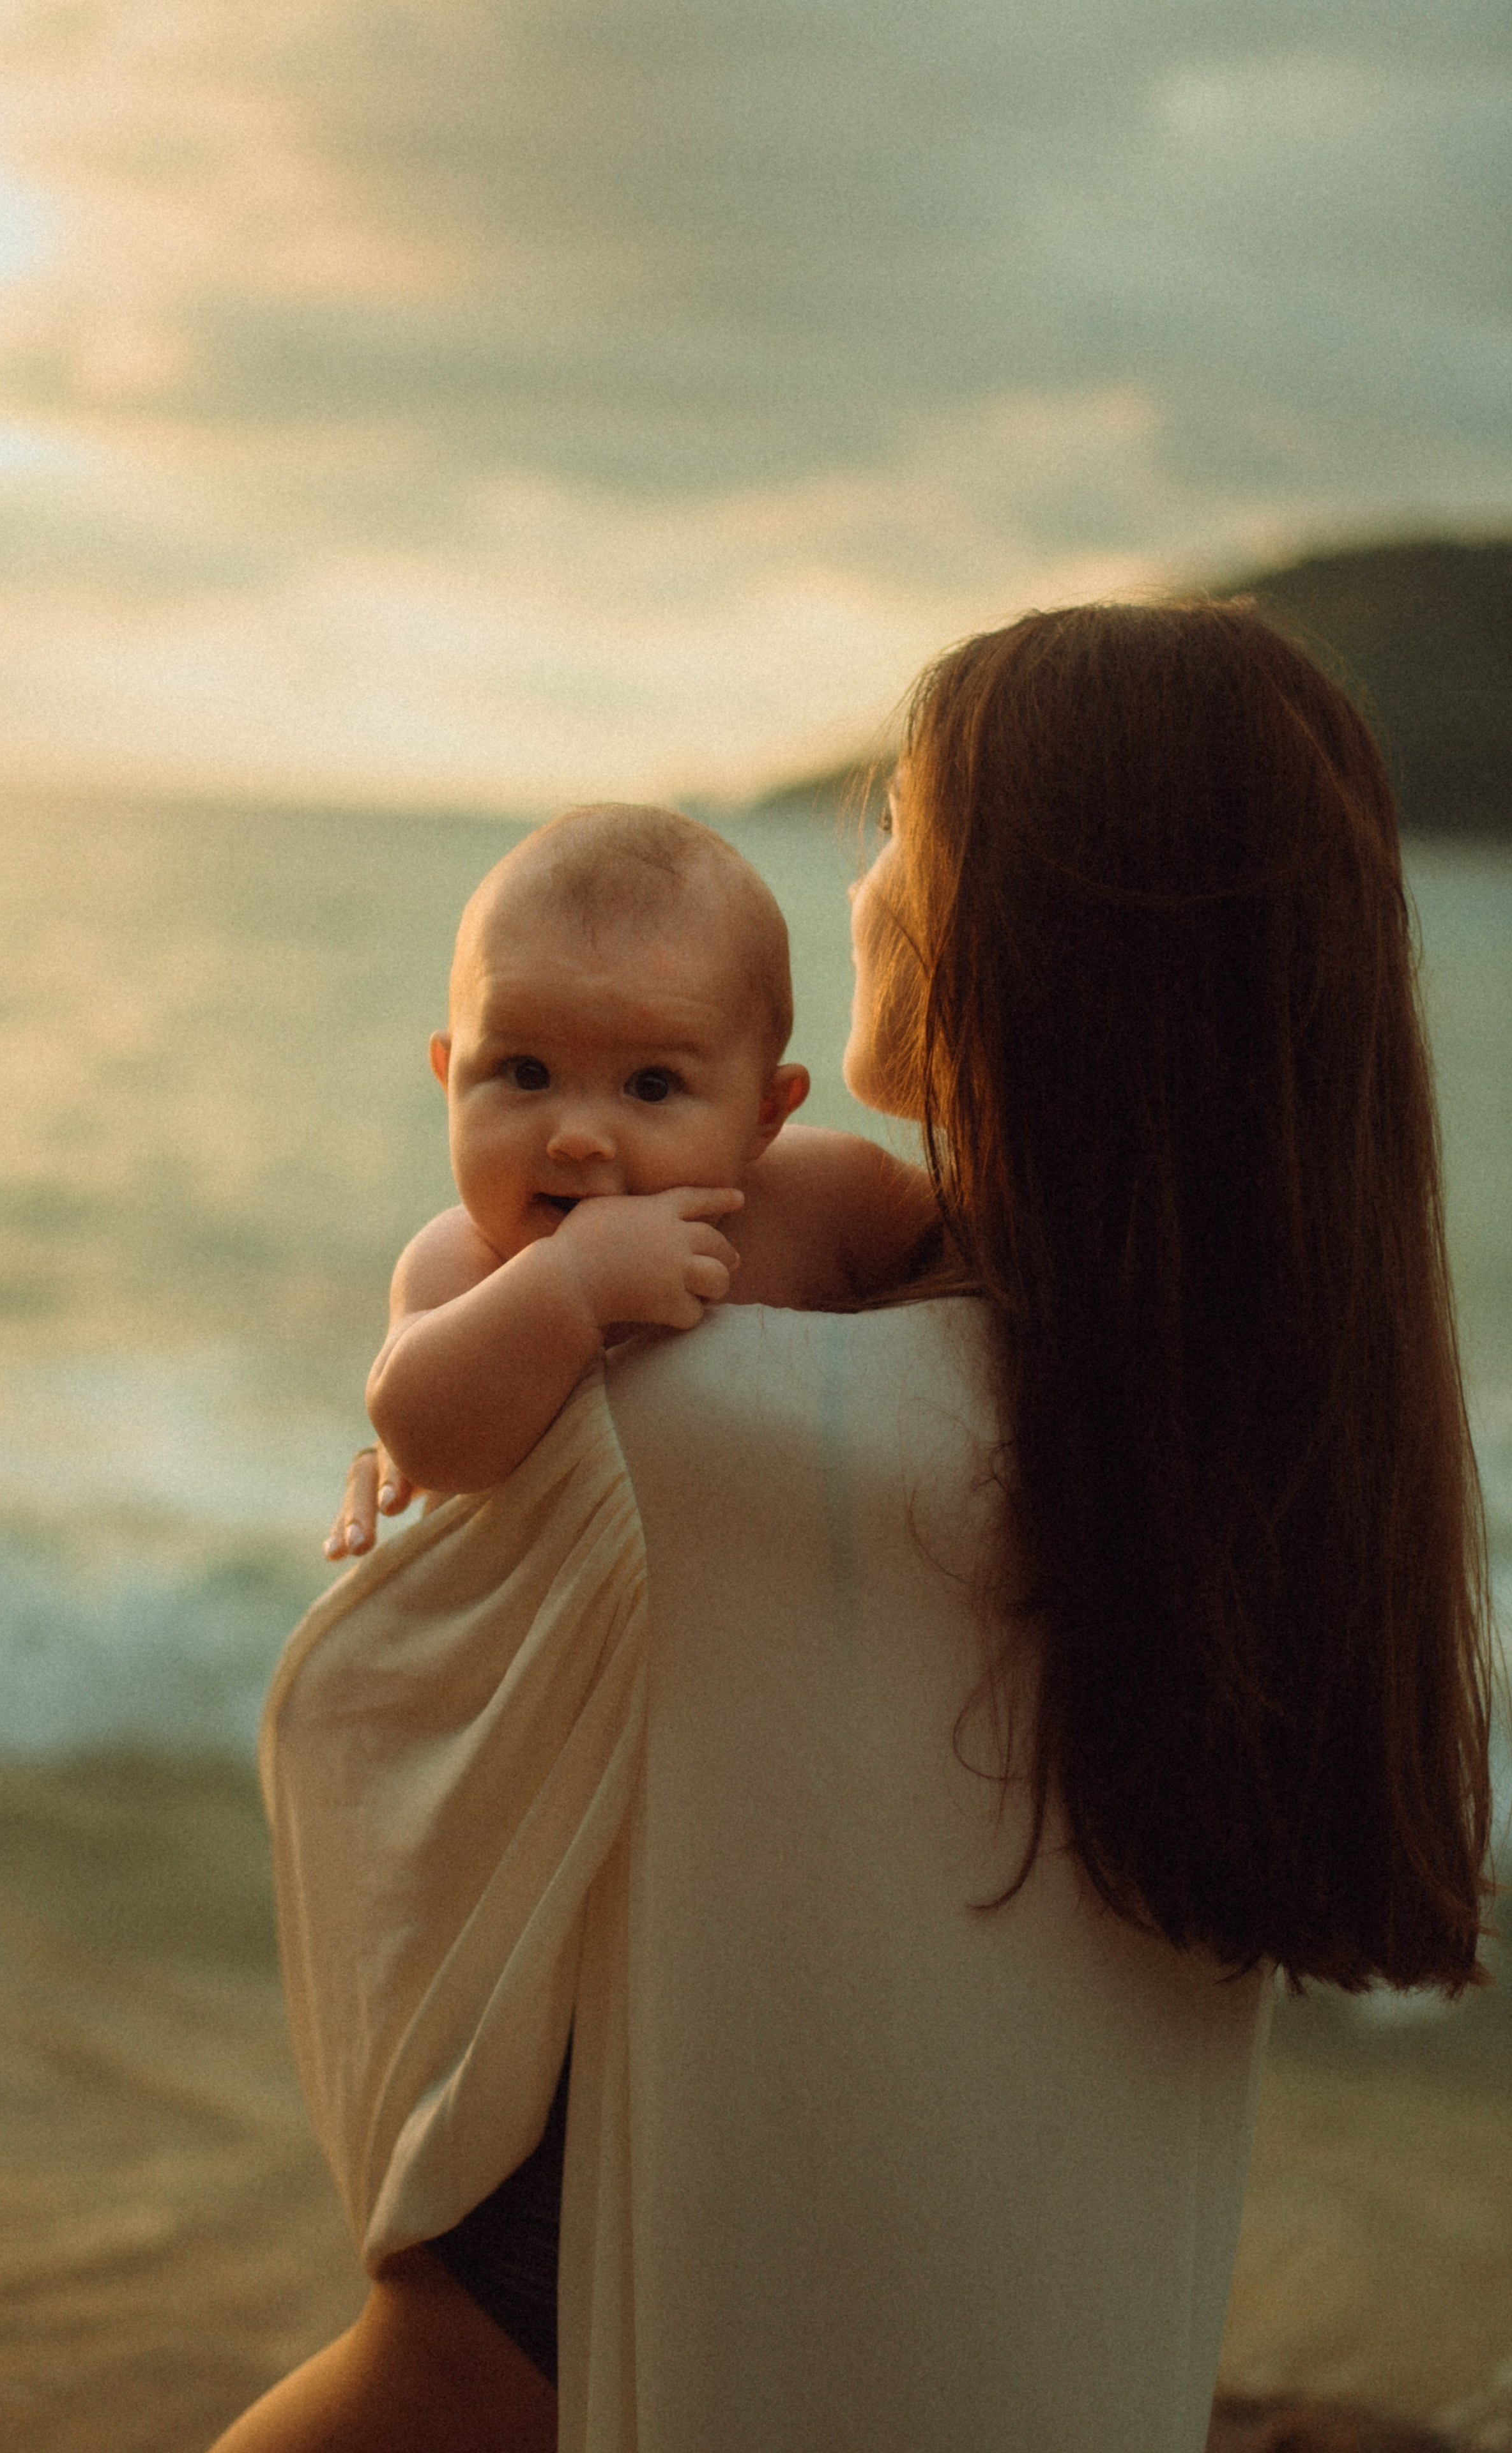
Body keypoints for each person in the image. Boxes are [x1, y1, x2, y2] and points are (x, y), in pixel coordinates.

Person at [214, 600, 1494, 2453]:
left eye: (903, 817)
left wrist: (498, 1439)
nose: (869, 873)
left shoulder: (745, 1416)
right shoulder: (1230, 1426)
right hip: (970, 2215)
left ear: (1023, 920)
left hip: (660, 2151)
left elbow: (460, 1577)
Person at [327, 800, 938, 1535]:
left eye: (651, 1086)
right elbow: (423, 1438)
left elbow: (1005, 1267)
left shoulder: (828, 1198)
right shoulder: (467, 1264)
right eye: (525, 1072)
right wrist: (570, 1286)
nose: (577, 1137)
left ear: (765, 1114)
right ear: (449, 1073)